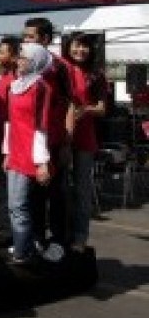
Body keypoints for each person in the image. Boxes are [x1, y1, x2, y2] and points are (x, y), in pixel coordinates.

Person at [22, 17, 74, 253]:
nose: (25, 41)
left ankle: (59, 241)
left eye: (30, 37)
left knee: (56, 194)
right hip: (30, 142)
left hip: (53, 142)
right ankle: (36, 237)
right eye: (24, 36)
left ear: (45, 39)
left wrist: (65, 143)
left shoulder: (60, 67)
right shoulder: (24, 65)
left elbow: (71, 104)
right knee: (33, 194)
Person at [3, 42, 54, 264]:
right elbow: (9, 122)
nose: (19, 60)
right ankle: (23, 244)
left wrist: (42, 161)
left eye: (23, 57)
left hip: (30, 153)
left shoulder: (41, 87)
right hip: (16, 151)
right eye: (20, 57)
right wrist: (6, 152)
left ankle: (23, 250)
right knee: (15, 205)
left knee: (19, 204)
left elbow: (42, 126)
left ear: (35, 62)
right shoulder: (14, 86)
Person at [62, 31, 107, 253]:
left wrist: (85, 110)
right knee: (60, 188)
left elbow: (102, 108)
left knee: (81, 190)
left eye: (85, 46)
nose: (80, 50)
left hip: (85, 138)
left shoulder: (96, 75)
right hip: (61, 135)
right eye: (76, 46)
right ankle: (61, 233)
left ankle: (80, 236)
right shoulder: (61, 69)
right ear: (68, 47)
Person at [0, 35, 20, 243]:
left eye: (2, 51)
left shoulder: (19, 80)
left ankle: (9, 230)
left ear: (14, 55)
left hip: (13, 140)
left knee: (10, 186)